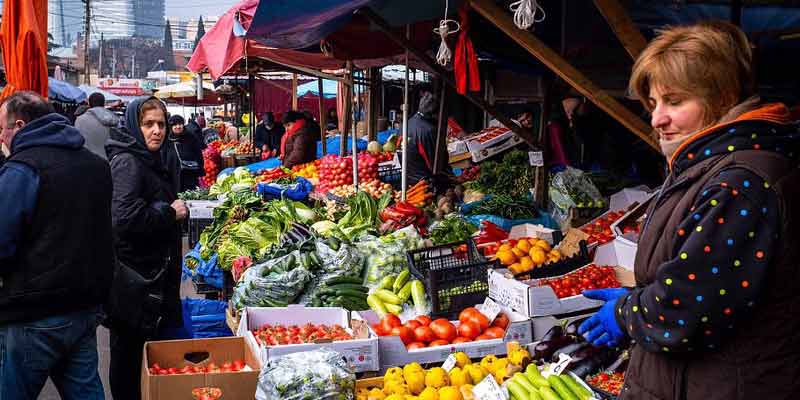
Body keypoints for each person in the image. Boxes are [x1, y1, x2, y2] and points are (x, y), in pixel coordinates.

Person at [577, 21, 800, 399]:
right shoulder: (715, 166)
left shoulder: (738, 185)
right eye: (653, 103)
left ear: (723, 96)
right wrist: (640, 300)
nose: (656, 119)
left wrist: (627, 314)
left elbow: (687, 308)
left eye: (675, 101)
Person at [0, 91, 112, 399]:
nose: (1, 136)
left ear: (19, 126)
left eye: (2, 129)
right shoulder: (96, 166)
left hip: (33, 314)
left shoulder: (22, 168)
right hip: (85, 307)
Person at [105, 97, 187, 400]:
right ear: (133, 126)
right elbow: (123, 220)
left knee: (141, 357)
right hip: (135, 281)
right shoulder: (128, 161)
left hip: (150, 278)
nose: (157, 131)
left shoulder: (155, 158)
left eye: (161, 124)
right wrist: (169, 213)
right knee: (128, 360)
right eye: (148, 124)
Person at [405, 85, 451, 186]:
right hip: (425, 184)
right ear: (434, 113)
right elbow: (435, 164)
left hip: (409, 179)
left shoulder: (408, 123)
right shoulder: (429, 130)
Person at [163, 114, 205, 193]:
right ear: (171, 127)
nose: (178, 126)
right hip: (173, 175)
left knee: (190, 195)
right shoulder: (167, 140)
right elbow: (164, 157)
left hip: (190, 174)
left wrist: (200, 170)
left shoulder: (191, 137)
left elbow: (198, 154)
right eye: (175, 125)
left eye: (180, 124)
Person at [75, 92, 118, 160]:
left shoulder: (80, 120)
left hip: (87, 161)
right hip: (109, 162)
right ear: (103, 103)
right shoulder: (114, 119)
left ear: (89, 103)